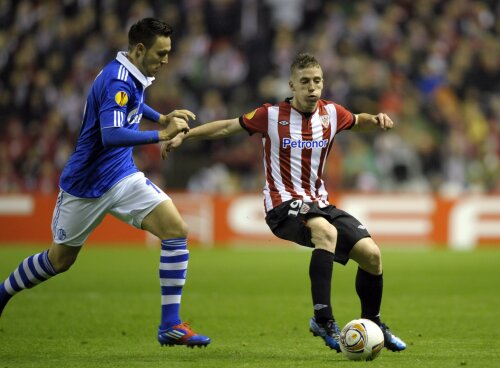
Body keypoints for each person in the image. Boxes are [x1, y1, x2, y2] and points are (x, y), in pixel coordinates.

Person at [162, 52, 406, 352]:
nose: (312, 88)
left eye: (317, 81)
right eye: (305, 82)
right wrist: (185, 136)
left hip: (319, 202)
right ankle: (323, 319)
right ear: (292, 85)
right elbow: (227, 127)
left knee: (372, 255)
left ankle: (374, 323)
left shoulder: (332, 113)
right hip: (282, 205)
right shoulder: (270, 115)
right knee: (325, 233)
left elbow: (358, 121)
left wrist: (377, 119)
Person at [0, 18, 210, 348]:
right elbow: (110, 135)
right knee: (59, 261)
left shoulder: (129, 71)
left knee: (176, 230)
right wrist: (160, 134)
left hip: (122, 176)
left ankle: (170, 325)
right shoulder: (116, 80)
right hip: (85, 186)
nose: (166, 60)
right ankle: (2, 293)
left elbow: (132, 104)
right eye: (161, 53)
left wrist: (162, 116)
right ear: (140, 49)